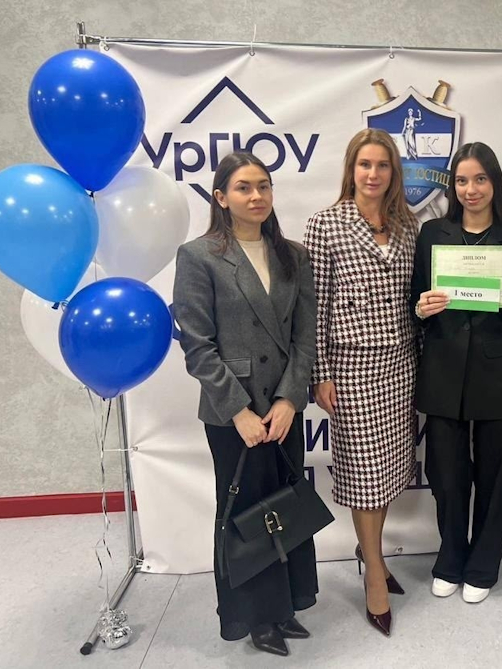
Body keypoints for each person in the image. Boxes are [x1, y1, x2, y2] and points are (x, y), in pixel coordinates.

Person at [172, 151, 318, 657]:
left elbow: (305, 337)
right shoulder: (199, 256)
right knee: (245, 514)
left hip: (282, 410)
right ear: (220, 197)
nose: (256, 196)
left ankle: (286, 605)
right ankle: (255, 617)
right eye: (243, 187)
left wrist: (290, 399)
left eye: (263, 186)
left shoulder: (293, 255)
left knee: (285, 506)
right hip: (234, 412)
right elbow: (197, 345)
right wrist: (239, 411)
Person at [303, 128, 418, 636]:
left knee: (387, 471)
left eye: (383, 165)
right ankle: (374, 571)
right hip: (351, 368)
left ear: (394, 172)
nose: (373, 174)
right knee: (364, 476)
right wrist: (320, 374)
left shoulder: (409, 225)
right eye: (365, 164)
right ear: (351, 169)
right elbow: (313, 307)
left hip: (401, 365)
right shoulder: (325, 224)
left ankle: (371, 552)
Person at [411, 142, 502, 604]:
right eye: (462, 180)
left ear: (494, 183)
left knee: (493, 475)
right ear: (452, 187)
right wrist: (422, 307)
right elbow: (415, 301)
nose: (471, 189)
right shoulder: (432, 234)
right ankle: (450, 559)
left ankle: (483, 565)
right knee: (447, 476)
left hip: (496, 373)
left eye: (480, 179)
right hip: (443, 370)